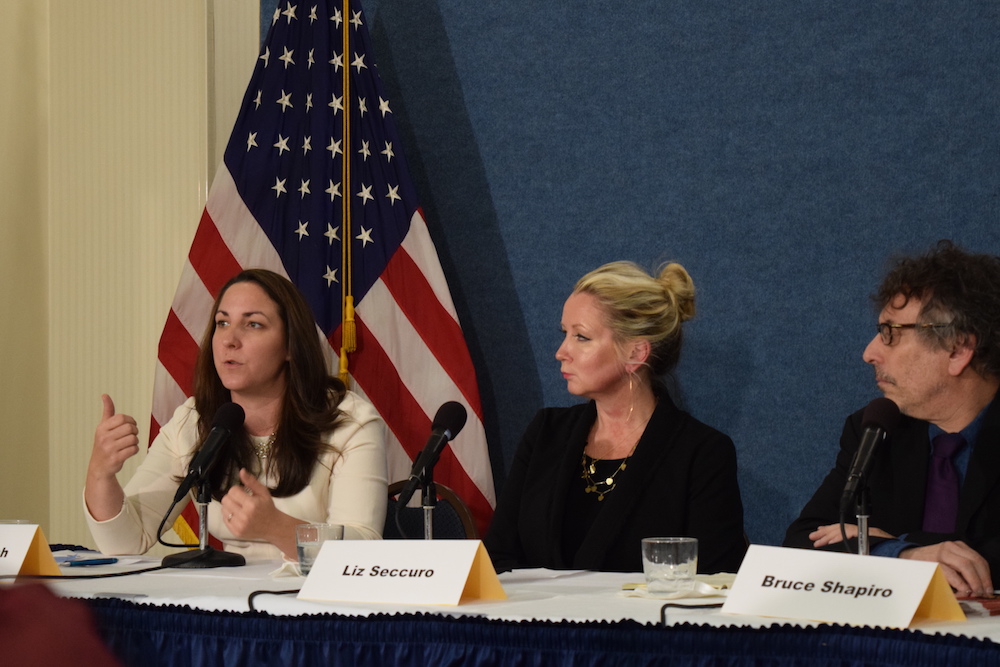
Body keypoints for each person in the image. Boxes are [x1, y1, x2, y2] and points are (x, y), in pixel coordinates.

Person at [84, 269, 388, 561]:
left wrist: (276, 527)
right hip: (231, 606)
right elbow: (126, 542)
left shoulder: (349, 421)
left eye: (253, 324)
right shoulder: (194, 420)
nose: (230, 339)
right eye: (222, 323)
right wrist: (100, 473)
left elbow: (363, 550)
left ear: (290, 346)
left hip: (319, 605)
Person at [485, 260, 747, 573]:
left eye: (581, 337)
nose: (561, 351)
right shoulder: (546, 433)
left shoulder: (702, 453)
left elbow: (713, 582)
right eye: (564, 333)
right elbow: (498, 557)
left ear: (636, 353)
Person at [783, 240, 1000, 597]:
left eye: (890, 334)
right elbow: (802, 541)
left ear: (958, 350)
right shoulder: (876, 429)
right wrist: (903, 554)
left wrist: (893, 545)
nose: (870, 352)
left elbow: (980, 564)